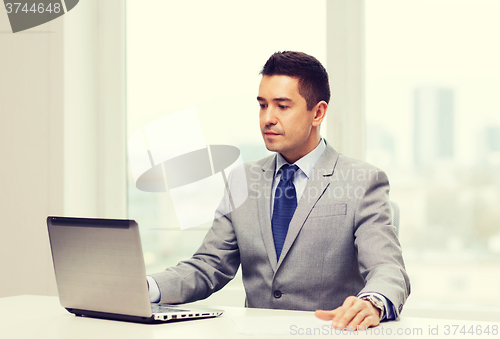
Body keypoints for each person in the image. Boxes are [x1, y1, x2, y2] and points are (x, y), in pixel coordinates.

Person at [147, 51, 410, 330]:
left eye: (282, 106)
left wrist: (372, 302)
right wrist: (145, 287)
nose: (267, 119)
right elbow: (208, 266)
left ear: (318, 113)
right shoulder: (242, 180)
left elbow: (388, 268)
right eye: (262, 105)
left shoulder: (363, 181)